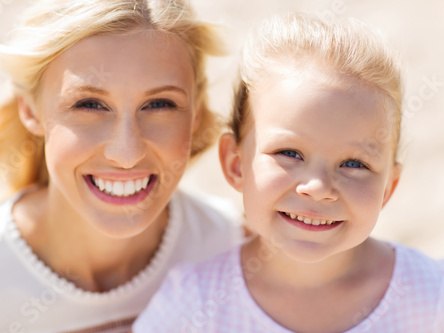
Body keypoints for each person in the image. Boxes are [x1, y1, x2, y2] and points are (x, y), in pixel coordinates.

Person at [133, 13, 444, 332]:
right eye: (290, 153)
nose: (319, 187)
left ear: (388, 188)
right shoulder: (191, 305)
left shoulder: (431, 298)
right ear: (235, 164)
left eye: (354, 164)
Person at [0, 0, 243, 332]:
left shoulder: (233, 247)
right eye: (89, 104)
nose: (126, 153)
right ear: (30, 111)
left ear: (196, 114)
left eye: (160, 104)